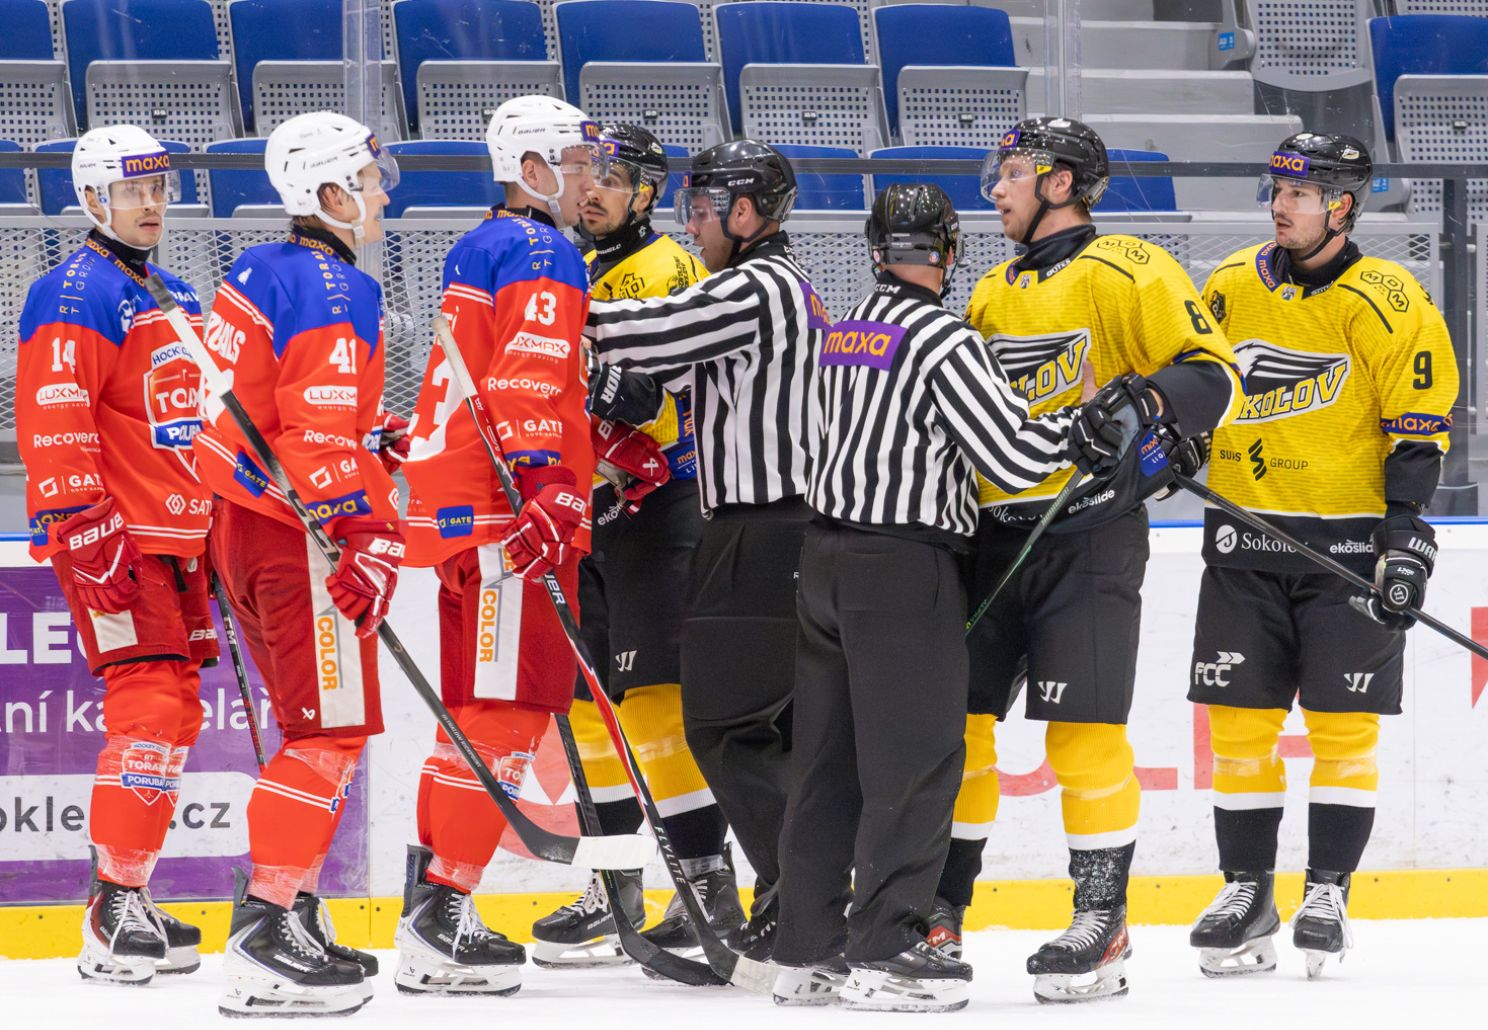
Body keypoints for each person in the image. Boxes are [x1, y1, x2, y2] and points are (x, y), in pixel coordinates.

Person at [931, 117, 1243, 1003]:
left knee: (1083, 737)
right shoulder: (990, 290)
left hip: (1089, 535)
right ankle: (941, 910)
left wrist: (1147, 403)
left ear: (1062, 183)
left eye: (1014, 173)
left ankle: (1101, 920)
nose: (996, 187)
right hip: (992, 536)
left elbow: (1211, 373)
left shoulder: (1131, 269)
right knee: (961, 731)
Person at [772, 183, 1084, 1011]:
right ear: (947, 253)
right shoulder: (944, 337)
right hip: (901, 567)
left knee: (827, 765)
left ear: (877, 249)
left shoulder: (842, 333)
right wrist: (1084, 432)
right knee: (914, 764)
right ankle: (887, 948)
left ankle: (806, 952)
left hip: (824, 556)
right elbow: (1014, 459)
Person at [1186, 133, 1456, 979]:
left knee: (1342, 731)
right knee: (1238, 729)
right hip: (1243, 540)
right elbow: (1195, 388)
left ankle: (1327, 890)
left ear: (1343, 206)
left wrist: (1408, 531)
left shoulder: (1387, 295)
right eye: (1279, 189)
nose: (1281, 204)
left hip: (1348, 547)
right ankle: (1246, 888)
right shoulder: (1229, 286)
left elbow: (1417, 423)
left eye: (1301, 193)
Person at [583, 139, 825, 957]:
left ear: (746, 212)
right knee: (766, 730)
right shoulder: (757, 289)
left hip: (768, 531)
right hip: (760, 532)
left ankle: (800, 891)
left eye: (700, 208)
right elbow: (668, 383)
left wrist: (533, 308)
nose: (690, 223)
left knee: (723, 725)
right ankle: (801, 895)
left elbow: (636, 333)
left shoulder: (756, 289)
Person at [193, 110, 402, 1017]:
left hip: (242, 525)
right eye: (368, 177)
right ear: (327, 193)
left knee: (309, 729)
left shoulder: (255, 270)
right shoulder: (335, 284)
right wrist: (363, 527)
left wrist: (368, 438)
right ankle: (266, 926)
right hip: (300, 535)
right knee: (328, 736)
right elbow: (316, 431)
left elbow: (253, 411)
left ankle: (296, 909)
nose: (383, 193)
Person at [396, 95, 599, 995]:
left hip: (459, 514)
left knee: (472, 715)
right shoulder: (540, 248)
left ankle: (430, 905)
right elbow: (524, 378)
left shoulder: (482, 242)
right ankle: (445, 910)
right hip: (507, 517)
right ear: (529, 166)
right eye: (574, 157)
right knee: (508, 716)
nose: (590, 173)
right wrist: (548, 482)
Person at [528, 123, 742, 968]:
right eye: (583, 172)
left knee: (654, 705)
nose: (591, 189)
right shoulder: (569, 267)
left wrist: (588, 373)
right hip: (589, 515)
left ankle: (704, 886)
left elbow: (672, 396)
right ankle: (615, 885)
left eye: (610, 177)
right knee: (586, 710)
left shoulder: (669, 269)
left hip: (667, 506)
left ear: (647, 194)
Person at [16, 125, 216, 986]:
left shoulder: (169, 289)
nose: (151, 205)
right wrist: (81, 522)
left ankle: (129, 886)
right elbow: (55, 415)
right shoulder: (71, 290)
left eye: (160, 189)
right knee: (148, 706)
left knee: (175, 713)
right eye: (133, 192)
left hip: (180, 534)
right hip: (117, 535)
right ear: (91, 198)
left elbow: (204, 413)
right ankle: (109, 910)